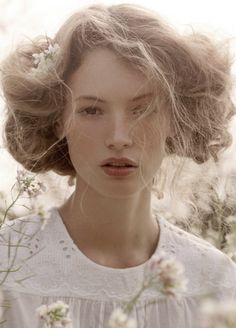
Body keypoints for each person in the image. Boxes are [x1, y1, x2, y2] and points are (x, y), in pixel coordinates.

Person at [0, 3, 236, 328]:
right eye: (92, 111)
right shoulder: (7, 267)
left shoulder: (216, 284)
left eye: (142, 110)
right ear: (58, 120)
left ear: (175, 119)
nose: (119, 137)